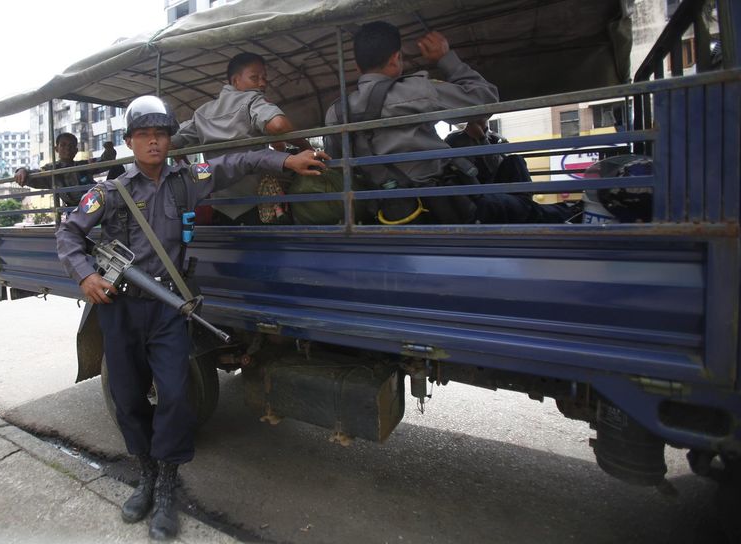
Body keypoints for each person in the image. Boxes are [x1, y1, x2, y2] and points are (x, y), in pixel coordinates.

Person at [55, 95, 328, 540]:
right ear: (129, 142)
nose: (154, 143)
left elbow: (237, 162)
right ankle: (144, 473)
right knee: (126, 398)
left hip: (169, 307)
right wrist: (85, 276)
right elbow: (68, 232)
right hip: (120, 309)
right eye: (144, 135)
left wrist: (287, 161)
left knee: (177, 397)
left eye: (160, 134)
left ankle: (166, 484)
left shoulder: (188, 181)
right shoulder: (109, 191)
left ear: (169, 140)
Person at [325, 21, 576, 225]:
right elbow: (487, 98)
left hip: (392, 214)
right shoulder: (418, 90)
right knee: (525, 209)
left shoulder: (335, 113)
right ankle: (578, 213)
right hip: (453, 208)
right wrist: (446, 58)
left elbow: (337, 165)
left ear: (357, 65)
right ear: (395, 58)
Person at [171, 52, 312, 225]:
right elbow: (278, 126)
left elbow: (171, 142)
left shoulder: (202, 112)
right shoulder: (252, 100)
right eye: (255, 78)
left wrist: (190, 171)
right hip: (256, 206)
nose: (262, 83)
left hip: (218, 206)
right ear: (235, 81)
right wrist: (306, 146)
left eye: (264, 78)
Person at [14, 133, 118, 207]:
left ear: (76, 151)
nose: (67, 148)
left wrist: (109, 150)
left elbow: (104, 162)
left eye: (71, 146)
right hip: (77, 209)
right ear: (56, 149)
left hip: (97, 202)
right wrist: (22, 170)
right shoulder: (52, 169)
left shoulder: (83, 165)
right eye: (63, 145)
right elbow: (34, 175)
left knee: (118, 167)